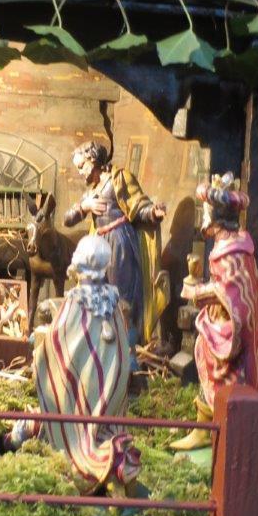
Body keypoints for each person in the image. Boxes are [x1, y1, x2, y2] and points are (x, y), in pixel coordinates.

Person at [0, 235, 141, 496]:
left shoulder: (75, 302)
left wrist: (41, 352)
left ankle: (83, 452)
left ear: (79, 267)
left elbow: (58, 339)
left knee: (63, 403)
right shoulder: (113, 304)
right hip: (108, 390)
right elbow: (117, 348)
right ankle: (106, 449)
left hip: (79, 391)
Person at [170, 172, 258, 451]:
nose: (203, 217)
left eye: (206, 211)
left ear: (216, 218)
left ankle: (230, 430)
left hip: (230, 332)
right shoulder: (227, 246)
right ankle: (204, 425)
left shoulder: (233, 252)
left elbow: (231, 293)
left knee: (223, 373)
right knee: (205, 356)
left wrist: (197, 292)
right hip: (218, 323)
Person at [63, 141, 167, 366]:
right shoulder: (92, 192)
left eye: (81, 166)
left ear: (93, 160)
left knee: (120, 297)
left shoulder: (119, 178)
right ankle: (100, 344)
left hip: (119, 244)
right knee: (95, 294)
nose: (80, 172)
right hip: (97, 247)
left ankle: (125, 349)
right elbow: (67, 219)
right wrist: (84, 207)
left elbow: (139, 207)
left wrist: (153, 212)